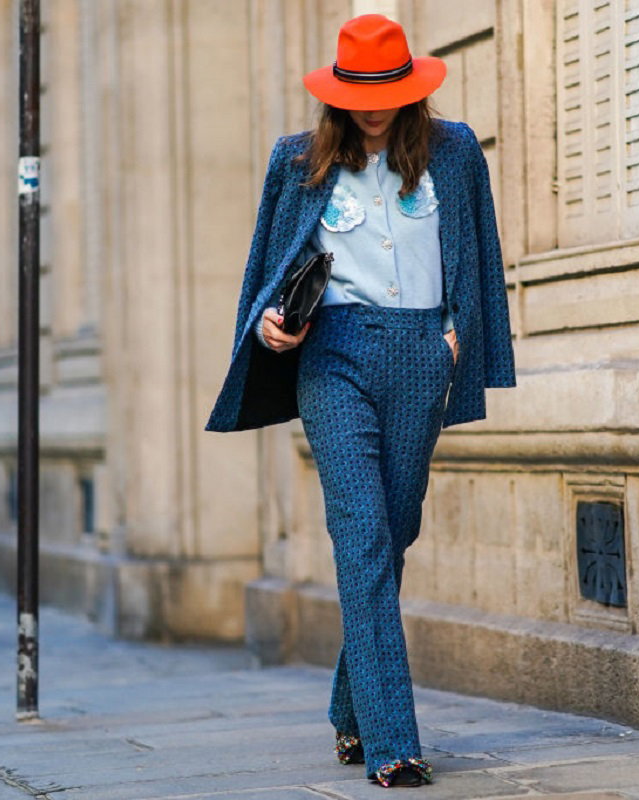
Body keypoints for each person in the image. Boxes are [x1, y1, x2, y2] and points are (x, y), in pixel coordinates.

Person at [205, 13, 516, 789]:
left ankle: (350, 707)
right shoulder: (297, 162)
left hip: (420, 355)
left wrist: (454, 340)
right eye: (358, 92)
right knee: (363, 537)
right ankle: (392, 743)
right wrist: (273, 329)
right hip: (333, 356)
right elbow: (269, 273)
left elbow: (477, 256)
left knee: (395, 528)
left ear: (408, 89)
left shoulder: (455, 153)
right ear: (336, 92)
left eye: (385, 91)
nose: (371, 106)